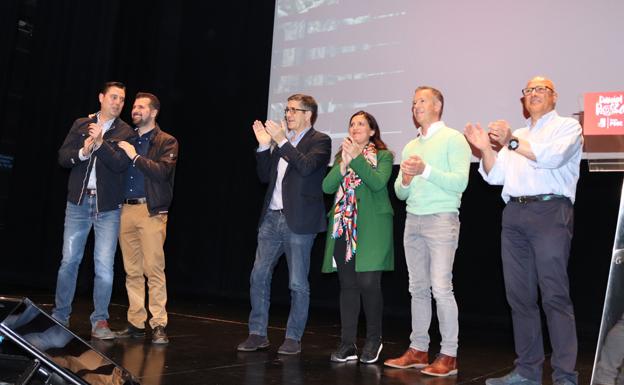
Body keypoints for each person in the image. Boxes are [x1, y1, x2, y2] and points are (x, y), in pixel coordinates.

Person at [464, 76, 583, 385]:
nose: (534, 93)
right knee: (520, 297)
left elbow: (553, 158)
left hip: (550, 211)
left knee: (554, 295)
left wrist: (509, 142)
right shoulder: (517, 134)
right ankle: (528, 371)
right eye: (529, 90)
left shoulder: (568, 128)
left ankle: (565, 376)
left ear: (554, 97)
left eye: (541, 89)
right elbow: (495, 176)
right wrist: (484, 150)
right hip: (514, 213)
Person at [384, 86, 471, 377]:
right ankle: (418, 348)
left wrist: (426, 170)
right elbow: (399, 193)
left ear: (438, 105)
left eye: (422, 101)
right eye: (413, 103)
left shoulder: (454, 139)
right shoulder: (410, 146)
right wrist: (406, 178)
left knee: (441, 288)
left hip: (441, 219)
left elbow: (460, 183)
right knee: (417, 288)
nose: (415, 106)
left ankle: (449, 354)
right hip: (413, 221)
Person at [237, 94, 331, 355]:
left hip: (299, 221)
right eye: (287, 109)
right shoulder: (281, 142)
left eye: (294, 110)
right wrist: (264, 147)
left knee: (297, 283)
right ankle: (257, 333)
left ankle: (293, 337)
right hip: (271, 218)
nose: (288, 114)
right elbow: (264, 176)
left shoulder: (319, 141)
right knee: (258, 275)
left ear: (308, 115)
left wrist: (280, 140)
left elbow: (307, 167)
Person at [53, 81, 134, 339]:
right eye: (113, 97)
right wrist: (83, 151)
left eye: (122, 99)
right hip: (77, 203)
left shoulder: (125, 131)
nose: (118, 103)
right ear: (101, 97)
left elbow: (121, 164)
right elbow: (64, 157)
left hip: (107, 208)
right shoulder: (80, 124)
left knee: (104, 266)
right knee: (69, 261)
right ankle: (60, 315)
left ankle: (100, 321)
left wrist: (100, 144)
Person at [321, 111, 394, 364]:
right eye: (352, 124)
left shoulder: (384, 156)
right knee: (348, 286)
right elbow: (327, 187)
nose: (355, 127)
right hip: (344, 226)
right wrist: (344, 163)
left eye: (361, 124)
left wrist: (356, 160)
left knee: (368, 283)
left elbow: (377, 183)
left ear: (373, 131)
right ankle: (347, 343)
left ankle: (374, 339)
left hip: (372, 227)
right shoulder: (342, 156)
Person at [113, 92, 178, 345]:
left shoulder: (167, 141)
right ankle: (136, 322)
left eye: (141, 107)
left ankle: (159, 323)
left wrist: (135, 156)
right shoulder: (126, 138)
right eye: (134, 106)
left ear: (153, 112)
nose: (134, 110)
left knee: (153, 269)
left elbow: (162, 172)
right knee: (132, 271)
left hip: (150, 211)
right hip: (125, 210)